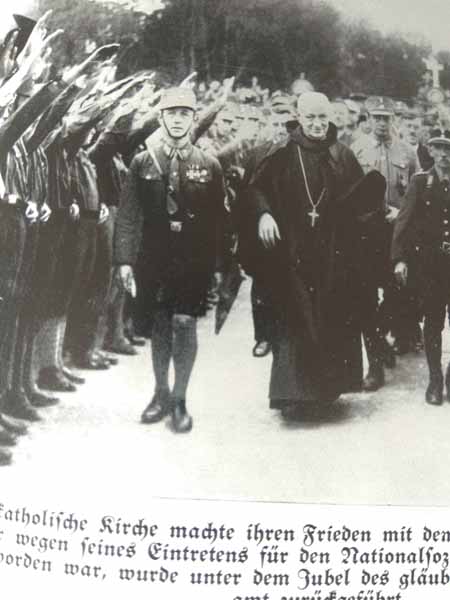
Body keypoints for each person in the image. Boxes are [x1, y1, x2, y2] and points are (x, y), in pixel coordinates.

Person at [246, 91, 380, 418]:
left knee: (330, 316)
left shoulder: (342, 154)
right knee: (294, 318)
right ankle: (292, 395)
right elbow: (255, 187)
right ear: (299, 118)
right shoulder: (282, 152)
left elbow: (360, 202)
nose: (317, 124)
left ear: (330, 118)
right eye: (310, 118)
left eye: (322, 117)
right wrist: (263, 214)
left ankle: (325, 393)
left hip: (333, 252)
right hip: (291, 249)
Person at [114, 87, 227, 432]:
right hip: (154, 256)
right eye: (171, 114)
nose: (178, 120)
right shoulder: (143, 162)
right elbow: (129, 215)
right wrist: (125, 260)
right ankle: (160, 392)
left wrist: (220, 266)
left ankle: (180, 399)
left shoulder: (208, 164)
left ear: (193, 119)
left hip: (193, 257)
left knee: (184, 322)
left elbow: (219, 222)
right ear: (161, 118)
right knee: (160, 323)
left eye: (184, 114)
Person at [352, 96, 417, 389]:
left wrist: (400, 214)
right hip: (366, 235)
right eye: (376, 117)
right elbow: (350, 193)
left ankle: (383, 339)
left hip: (396, 234)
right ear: (368, 119)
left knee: (397, 294)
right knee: (365, 297)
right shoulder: (357, 150)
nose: (381, 123)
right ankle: (375, 365)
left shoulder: (408, 152)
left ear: (394, 120)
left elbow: (416, 194)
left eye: (386, 118)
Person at [392, 128, 450, 405]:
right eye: (439, 148)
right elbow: (403, 221)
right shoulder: (420, 182)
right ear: (431, 151)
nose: (444, 154)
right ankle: (435, 380)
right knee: (433, 322)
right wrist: (400, 258)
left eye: (449, 149)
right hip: (431, 266)